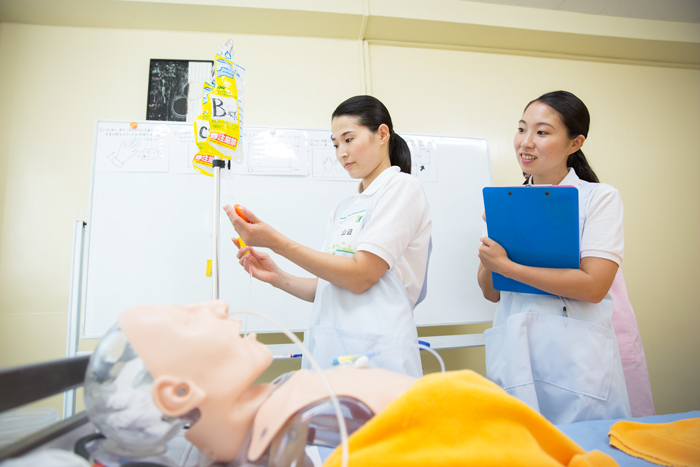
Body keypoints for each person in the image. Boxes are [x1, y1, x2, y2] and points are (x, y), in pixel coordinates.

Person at [94, 300, 617, 467]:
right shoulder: (283, 435)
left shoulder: (281, 412)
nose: (217, 306)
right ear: (179, 394)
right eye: (190, 319)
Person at [224, 95, 432, 377]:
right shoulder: (343, 208)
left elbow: (361, 276)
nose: (341, 153)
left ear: (382, 134)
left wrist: (277, 242)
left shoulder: (402, 188)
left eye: (348, 139)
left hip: (378, 351)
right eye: (335, 144)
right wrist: (278, 277)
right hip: (330, 348)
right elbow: (332, 285)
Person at [477, 90, 634, 424]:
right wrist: (491, 257)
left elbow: (594, 286)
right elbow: (492, 292)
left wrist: (507, 265)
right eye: (522, 129)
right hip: (517, 350)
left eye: (542, 132)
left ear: (575, 143)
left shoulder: (598, 198)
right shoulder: (507, 200)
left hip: (576, 361)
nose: (526, 142)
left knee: (583, 450)